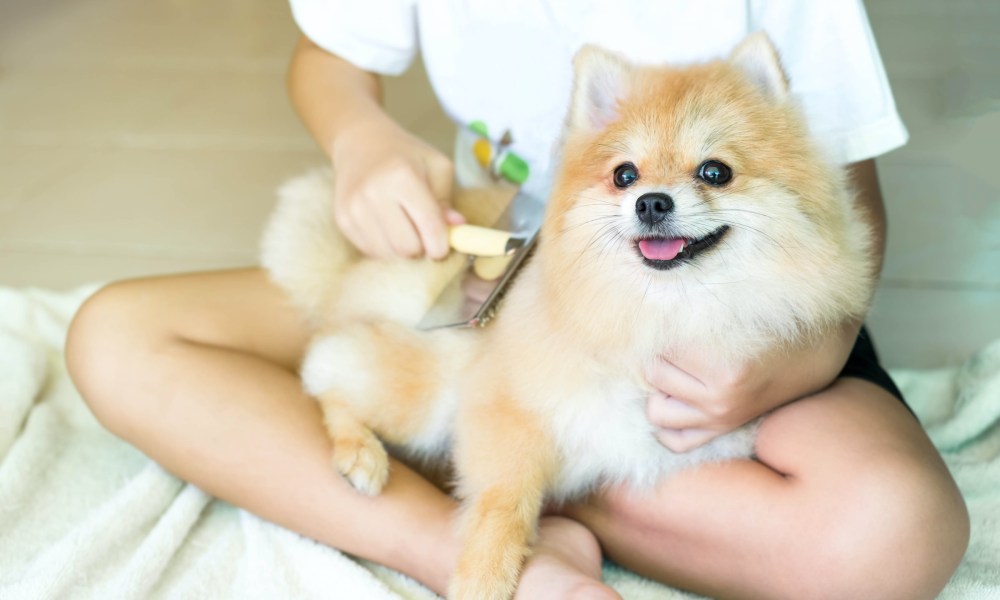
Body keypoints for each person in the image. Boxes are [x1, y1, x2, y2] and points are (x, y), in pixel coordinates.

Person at [65, 1, 970, 598]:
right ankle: (491, 549)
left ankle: (511, 471)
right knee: (119, 337)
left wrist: (793, 362)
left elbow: (845, 195)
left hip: (733, 309)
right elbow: (326, 60)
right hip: (486, 272)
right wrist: (360, 138)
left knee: (897, 533)